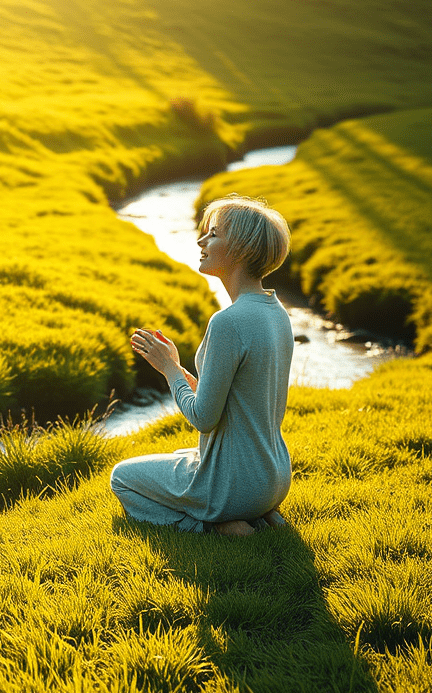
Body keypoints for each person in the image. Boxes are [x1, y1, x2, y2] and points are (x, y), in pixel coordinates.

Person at [111, 194, 294, 536]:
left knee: (121, 477)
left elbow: (204, 418)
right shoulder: (276, 311)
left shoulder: (228, 322)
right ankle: (260, 514)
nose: (200, 240)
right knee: (184, 454)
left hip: (233, 486)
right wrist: (180, 369)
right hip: (275, 478)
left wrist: (168, 371)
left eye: (213, 234)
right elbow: (238, 397)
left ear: (241, 249)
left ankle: (210, 526)